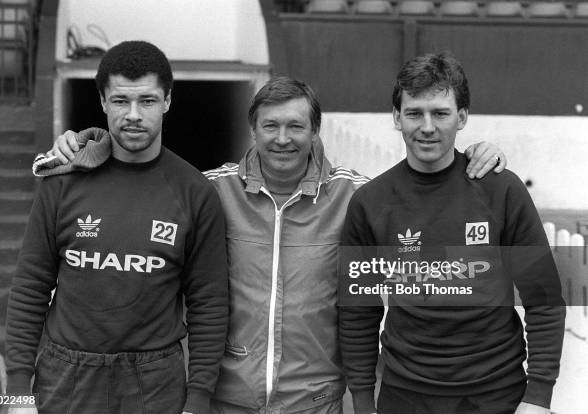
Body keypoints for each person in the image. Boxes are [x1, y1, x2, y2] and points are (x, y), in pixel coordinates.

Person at [37, 76, 506, 413]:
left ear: (315, 131)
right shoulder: (208, 191)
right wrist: (86, 144)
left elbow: (427, 219)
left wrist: (475, 160)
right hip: (223, 400)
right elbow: (139, 183)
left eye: (296, 126)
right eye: (270, 126)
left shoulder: (356, 197)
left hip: (316, 402)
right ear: (253, 129)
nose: (283, 139)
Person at [5, 41, 228, 414]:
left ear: (168, 100)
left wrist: (198, 400)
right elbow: (30, 286)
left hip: (155, 382)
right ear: (104, 102)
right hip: (65, 377)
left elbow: (209, 304)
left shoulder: (195, 192)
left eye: (148, 101)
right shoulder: (62, 181)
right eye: (121, 101)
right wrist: (15, 393)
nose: (134, 114)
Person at [339, 52, 565, 414]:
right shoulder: (370, 202)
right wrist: (364, 401)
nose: (427, 126)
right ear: (397, 118)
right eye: (414, 113)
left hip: (496, 395)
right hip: (404, 395)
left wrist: (538, 397)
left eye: (440, 113)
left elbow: (545, 298)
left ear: (462, 117)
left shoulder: (501, 190)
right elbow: (357, 312)